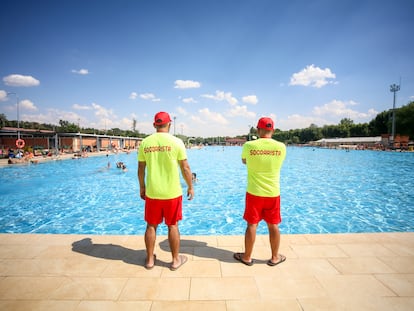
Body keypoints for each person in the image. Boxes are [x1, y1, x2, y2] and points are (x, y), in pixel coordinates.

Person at [138, 111, 194, 270]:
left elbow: (141, 168)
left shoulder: (145, 143)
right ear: (169, 124)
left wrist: (142, 187)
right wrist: (190, 186)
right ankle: (175, 260)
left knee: (151, 226)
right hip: (172, 193)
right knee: (173, 225)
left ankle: (149, 260)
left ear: (154, 125)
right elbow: (185, 168)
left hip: (153, 192)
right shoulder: (177, 142)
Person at [234, 117, 287, 267]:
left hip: (254, 192)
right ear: (273, 130)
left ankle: (247, 257)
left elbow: (244, 161)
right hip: (273, 193)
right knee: (273, 225)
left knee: (252, 224)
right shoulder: (281, 147)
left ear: (257, 130)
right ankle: (275, 257)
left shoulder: (249, 145)